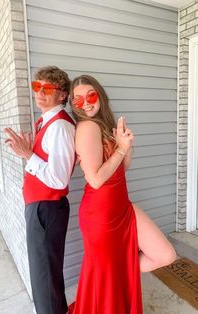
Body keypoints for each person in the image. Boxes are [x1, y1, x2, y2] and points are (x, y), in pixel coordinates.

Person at [68, 74, 176, 314]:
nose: (85, 103)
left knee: (165, 255)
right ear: (73, 105)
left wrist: (126, 146)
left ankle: (121, 270)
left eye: (91, 96)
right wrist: (120, 150)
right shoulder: (86, 128)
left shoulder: (103, 125)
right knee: (109, 280)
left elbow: (121, 169)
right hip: (101, 217)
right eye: (77, 100)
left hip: (122, 209)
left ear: (100, 96)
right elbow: (95, 180)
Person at [4, 66, 76, 314]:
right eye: (37, 87)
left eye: (48, 88)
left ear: (63, 95)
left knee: (44, 276)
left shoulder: (60, 127)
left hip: (47, 209)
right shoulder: (47, 122)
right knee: (45, 275)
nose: (40, 93)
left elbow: (58, 180)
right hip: (41, 208)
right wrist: (29, 155)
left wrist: (28, 155)